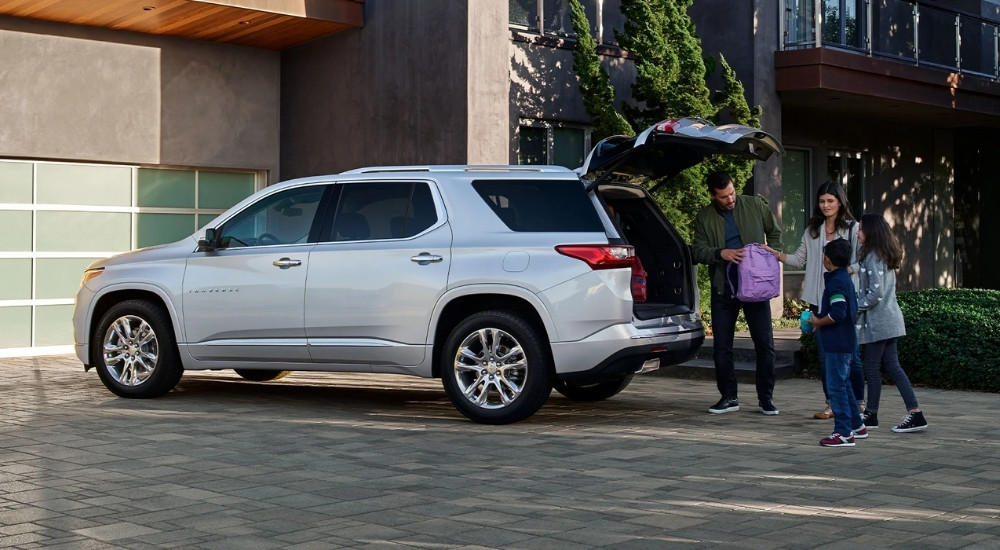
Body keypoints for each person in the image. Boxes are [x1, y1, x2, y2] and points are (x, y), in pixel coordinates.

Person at [763, 181, 865, 419]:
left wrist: (845, 271)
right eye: (822, 201)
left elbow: (863, 261)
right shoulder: (812, 230)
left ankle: (859, 403)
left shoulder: (852, 228)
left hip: (845, 298)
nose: (826, 205)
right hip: (818, 300)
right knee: (825, 354)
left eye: (830, 200)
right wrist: (774, 253)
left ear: (840, 201)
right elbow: (799, 260)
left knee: (852, 354)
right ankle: (832, 404)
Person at [691, 171, 782, 415]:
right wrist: (721, 253)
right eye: (723, 197)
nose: (730, 199)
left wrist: (771, 254)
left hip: (756, 287)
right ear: (713, 196)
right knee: (722, 347)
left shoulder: (754, 204)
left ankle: (766, 399)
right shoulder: (704, 217)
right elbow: (697, 251)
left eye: (731, 193)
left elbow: (775, 233)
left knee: (765, 345)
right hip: (724, 287)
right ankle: (729, 397)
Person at [855, 213, 928, 433]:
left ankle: (875, 414)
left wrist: (854, 306)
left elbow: (875, 294)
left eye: (860, 228)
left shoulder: (873, 256)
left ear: (870, 231)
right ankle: (908, 413)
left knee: (872, 367)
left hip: (881, 322)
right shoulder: (882, 254)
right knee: (892, 366)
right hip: (889, 320)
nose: (857, 232)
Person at [806, 238, 867, 447]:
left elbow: (838, 313)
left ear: (827, 259)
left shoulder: (836, 282)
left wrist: (818, 321)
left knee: (836, 386)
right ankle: (857, 425)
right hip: (846, 341)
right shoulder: (843, 278)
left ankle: (843, 432)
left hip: (837, 343)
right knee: (844, 384)